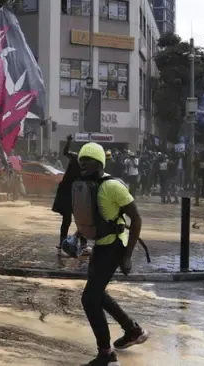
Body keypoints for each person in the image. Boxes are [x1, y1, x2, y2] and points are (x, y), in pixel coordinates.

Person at [75, 143, 149, 366]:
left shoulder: (113, 186)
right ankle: (133, 330)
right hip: (100, 246)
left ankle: (107, 355)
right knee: (98, 295)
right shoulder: (87, 186)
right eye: (81, 160)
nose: (84, 163)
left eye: (88, 159)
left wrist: (127, 256)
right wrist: (77, 237)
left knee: (89, 299)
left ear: (99, 163)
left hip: (116, 246)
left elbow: (136, 219)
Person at [53, 135, 81, 252]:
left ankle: (82, 243)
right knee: (67, 219)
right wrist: (69, 141)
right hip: (67, 192)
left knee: (81, 219)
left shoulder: (88, 164)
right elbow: (65, 152)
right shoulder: (76, 157)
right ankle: (62, 241)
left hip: (77, 193)